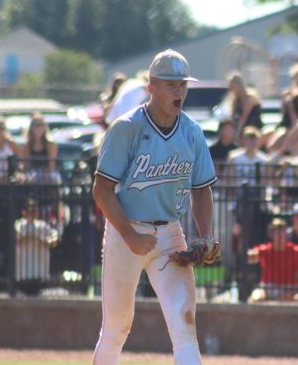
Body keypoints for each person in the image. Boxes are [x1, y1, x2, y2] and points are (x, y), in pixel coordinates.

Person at [92, 49, 218, 364]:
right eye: (170, 84)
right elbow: (102, 189)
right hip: (126, 232)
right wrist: (130, 236)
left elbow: (202, 191)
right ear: (151, 87)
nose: (179, 91)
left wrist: (205, 236)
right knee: (117, 327)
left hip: (170, 234)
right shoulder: (127, 127)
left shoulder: (192, 132)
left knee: (184, 320)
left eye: (182, 84)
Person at [247, 218, 298, 301]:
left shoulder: (296, 252)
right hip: (267, 288)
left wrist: (296, 292)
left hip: (289, 288)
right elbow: (249, 258)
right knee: (255, 298)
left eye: (282, 232)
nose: (280, 236)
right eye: (277, 232)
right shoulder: (264, 250)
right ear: (271, 235)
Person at [14, 197, 60, 296]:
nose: (33, 213)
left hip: (40, 273)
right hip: (23, 274)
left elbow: (55, 239)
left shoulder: (42, 226)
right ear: (24, 212)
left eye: (35, 210)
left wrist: (43, 241)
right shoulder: (19, 224)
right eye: (31, 210)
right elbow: (16, 239)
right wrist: (30, 237)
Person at [222, 72, 262, 143]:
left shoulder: (251, 99)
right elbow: (234, 119)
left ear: (239, 85)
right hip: (240, 131)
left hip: (253, 129)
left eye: (232, 86)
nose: (231, 89)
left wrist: (237, 136)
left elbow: (243, 118)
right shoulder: (235, 102)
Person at [22, 113, 59, 182]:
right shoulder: (27, 146)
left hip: (48, 174)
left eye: (41, 126)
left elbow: (51, 165)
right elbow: (26, 165)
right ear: (31, 128)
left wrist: (44, 173)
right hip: (33, 173)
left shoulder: (51, 145)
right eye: (36, 126)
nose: (39, 128)